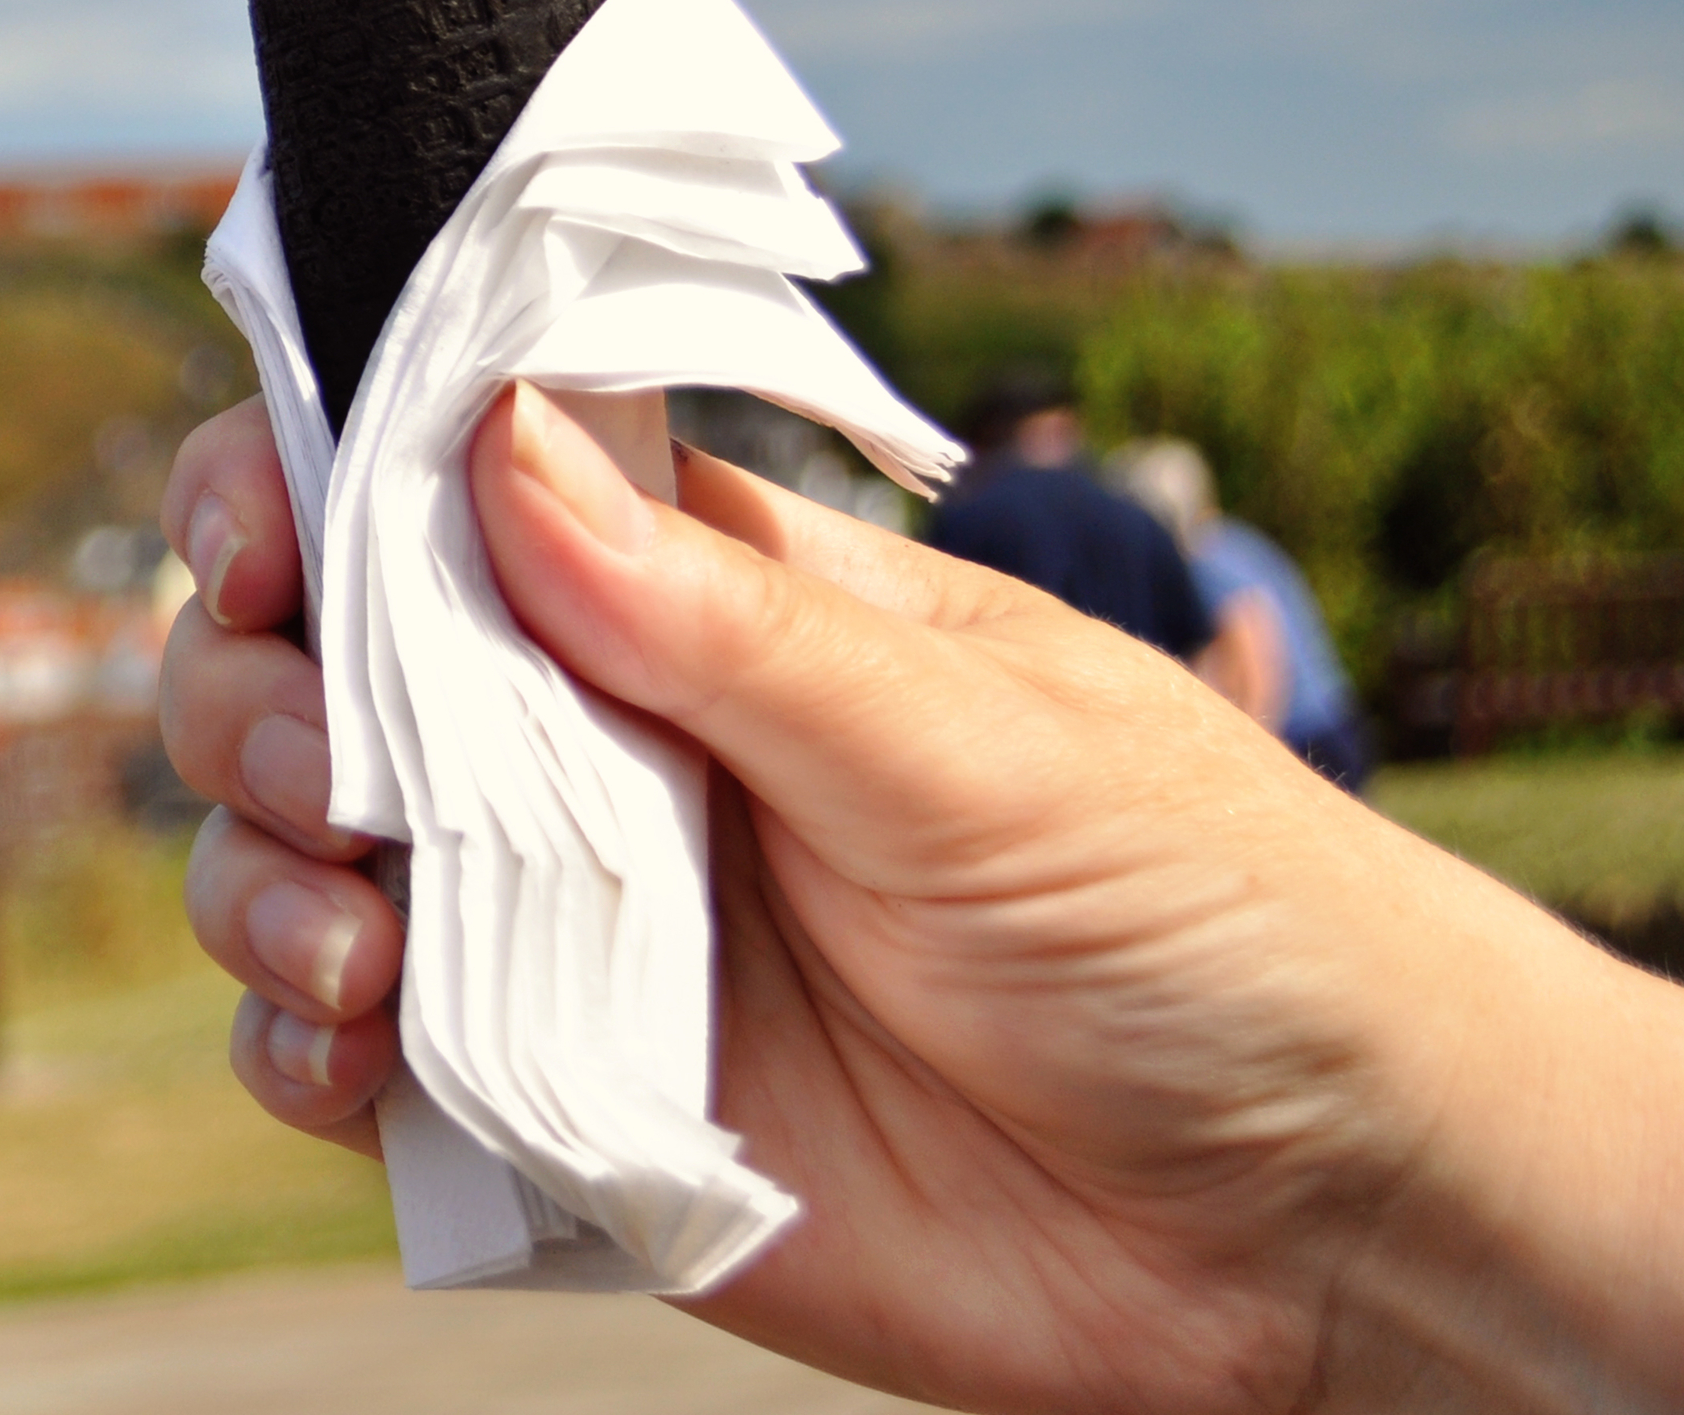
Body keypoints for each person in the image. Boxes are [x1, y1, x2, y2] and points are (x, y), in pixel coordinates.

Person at [156, 383, 1684, 1408]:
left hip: (903, 911)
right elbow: (1231, 661)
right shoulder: (1139, 514)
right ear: (1072, 422)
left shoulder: (980, 515)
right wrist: (1257, 816)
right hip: (1082, 883)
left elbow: (918, 661)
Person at [1109, 438, 1374, 791]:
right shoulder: (1234, 543)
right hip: (1333, 722)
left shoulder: (1202, 560)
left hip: (1305, 738)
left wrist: (1252, 752)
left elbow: (1258, 657)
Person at [924, 367, 1216, 667]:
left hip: (1007, 691)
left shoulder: (969, 516)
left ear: (982, 438)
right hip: (1134, 690)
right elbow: (1193, 643)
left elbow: (932, 623)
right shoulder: (1139, 517)